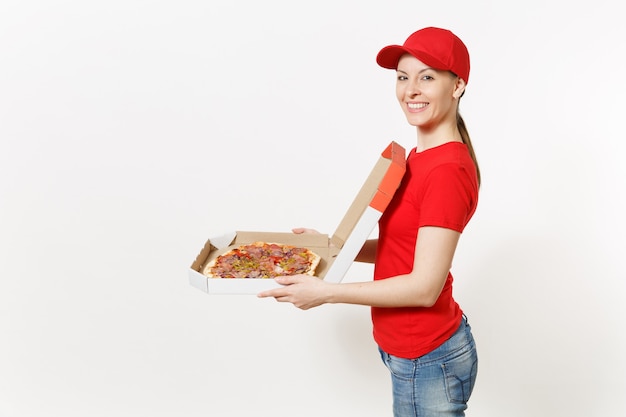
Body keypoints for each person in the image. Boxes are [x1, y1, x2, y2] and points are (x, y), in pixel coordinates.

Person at [258, 26, 480, 417]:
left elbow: (424, 287)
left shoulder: (447, 170)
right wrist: (334, 247)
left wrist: (326, 291)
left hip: (426, 356)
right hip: (411, 350)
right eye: (402, 77)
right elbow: (403, 245)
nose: (410, 89)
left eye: (427, 77)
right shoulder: (419, 156)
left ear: (457, 86)